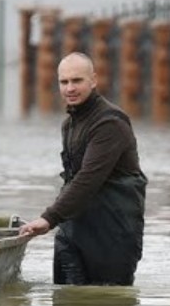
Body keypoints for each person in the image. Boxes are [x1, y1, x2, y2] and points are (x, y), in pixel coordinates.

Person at [19, 52, 147, 286]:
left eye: (77, 81)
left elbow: (88, 179)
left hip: (112, 235)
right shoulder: (69, 124)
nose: (70, 88)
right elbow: (71, 179)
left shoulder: (110, 123)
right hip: (73, 231)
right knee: (66, 297)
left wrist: (49, 218)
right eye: (64, 82)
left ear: (94, 80)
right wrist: (56, 219)